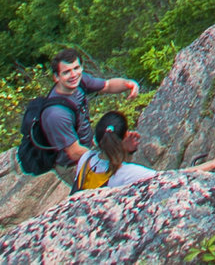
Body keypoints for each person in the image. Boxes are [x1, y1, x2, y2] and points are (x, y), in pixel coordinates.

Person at [36, 48, 144, 178]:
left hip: (88, 147)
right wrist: (107, 157)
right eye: (66, 72)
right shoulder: (56, 114)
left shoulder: (80, 82)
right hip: (72, 165)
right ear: (56, 77)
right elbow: (74, 152)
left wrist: (129, 84)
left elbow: (108, 85)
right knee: (120, 176)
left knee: (125, 155)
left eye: (76, 68)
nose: (73, 75)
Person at [76, 109, 215, 190]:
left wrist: (126, 150)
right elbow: (172, 177)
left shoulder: (86, 159)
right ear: (123, 140)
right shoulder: (127, 173)